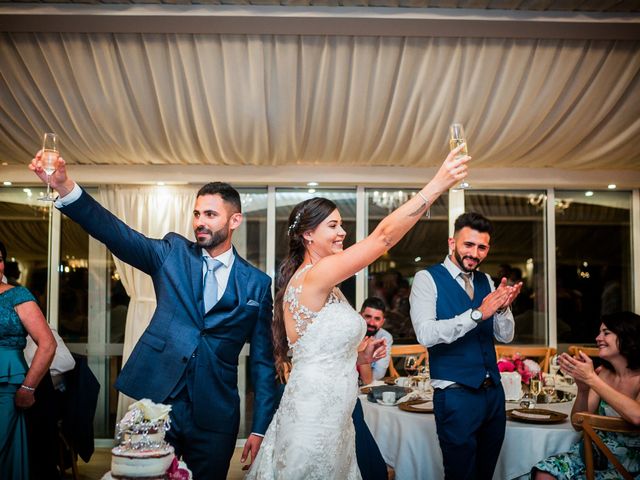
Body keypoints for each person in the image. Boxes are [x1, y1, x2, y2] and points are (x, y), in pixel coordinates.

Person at [29, 157, 279, 479]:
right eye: (197, 213)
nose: (200, 222)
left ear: (235, 221)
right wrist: (65, 186)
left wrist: (259, 428)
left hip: (215, 412)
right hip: (158, 403)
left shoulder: (257, 284)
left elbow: (262, 362)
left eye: (211, 215)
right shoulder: (171, 253)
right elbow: (116, 234)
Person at [247, 144, 469, 479]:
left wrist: (361, 357)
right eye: (333, 226)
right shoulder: (317, 274)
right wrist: (437, 184)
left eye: (341, 225)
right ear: (308, 234)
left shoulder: (327, 284)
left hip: (337, 412)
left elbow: (319, 350)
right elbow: (383, 238)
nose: (342, 233)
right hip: (315, 413)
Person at [409, 212, 522, 480]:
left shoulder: (486, 281)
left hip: (493, 394)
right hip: (455, 395)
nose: (474, 253)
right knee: (460, 475)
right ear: (452, 243)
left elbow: (505, 336)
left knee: (486, 473)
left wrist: (503, 309)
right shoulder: (427, 279)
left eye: (481, 247)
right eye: (468, 245)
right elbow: (425, 334)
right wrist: (477, 314)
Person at [532, 311, 640, 479]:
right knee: (544, 473)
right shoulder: (604, 373)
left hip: (629, 463)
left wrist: (591, 379)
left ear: (628, 336)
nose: (598, 338)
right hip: (593, 454)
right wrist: (583, 389)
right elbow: (578, 423)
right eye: (599, 332)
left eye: (606, 333)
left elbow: (637, 416)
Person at [0, 240, 56, 480]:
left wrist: (28, 386)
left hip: (7, 384)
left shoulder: (17, 295)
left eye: (0, 259)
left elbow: (48, 344)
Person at [358, 296, 393, 385]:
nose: (371, 323)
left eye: (377, 319)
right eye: (368, 316)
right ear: (359, 315)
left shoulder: (384, 337)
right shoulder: (350, 334)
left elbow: (379, 373)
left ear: (382, 322)